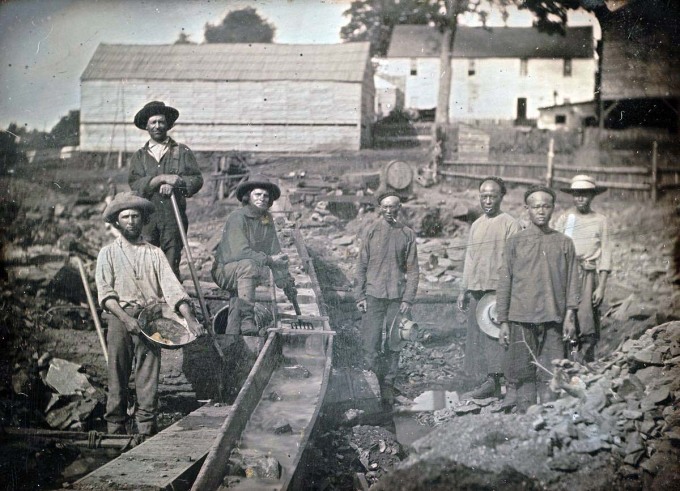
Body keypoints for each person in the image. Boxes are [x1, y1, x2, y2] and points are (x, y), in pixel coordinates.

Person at [96, 192, 205, 436]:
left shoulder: (154, 254)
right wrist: (126, 319)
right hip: (120, 318)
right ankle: (115, 429)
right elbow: (105, 294)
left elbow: (173, 290)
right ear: (117, 222)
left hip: (150, 320)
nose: (131, 221)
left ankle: (146, 429)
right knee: (117, 374)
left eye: (135, 216)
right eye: (125, 217)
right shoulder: (108, 253)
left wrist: (190, 319)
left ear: (143, 220)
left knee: (148, 377)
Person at [496, 186, 580, 413]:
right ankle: (526, 416)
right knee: (523, 371)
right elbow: (505, 282)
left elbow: (573, 280)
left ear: (553, 208)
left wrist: (570, 315)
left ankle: (549, 418)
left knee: (552, 370)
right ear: (527, 209)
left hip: (554, 317)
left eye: (546, 206)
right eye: (535, 207)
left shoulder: (564, 243)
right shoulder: (515, 242)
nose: (541, 211)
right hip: (522, 318)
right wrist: (503, 321)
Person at [457, 177, 521, 400]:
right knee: (477, 336)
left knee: (496, 335)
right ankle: (487, 382)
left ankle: (502, 382)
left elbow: (515, 261)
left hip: (497, 291)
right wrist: (464, 289)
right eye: (483, 196)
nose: (487, 201)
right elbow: (470, 258)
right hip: (477, 287)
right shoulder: (476, 224)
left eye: (492, 196)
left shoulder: (510, 224)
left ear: (501, 197)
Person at [355, 191, 419, 405]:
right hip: (373, 296)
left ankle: (388, 386)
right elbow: (361, 266)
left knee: (394, 343)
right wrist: (359, 296)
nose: (389, 211)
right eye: (385, 207)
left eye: (393, 206)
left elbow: (413, 270)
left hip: (396, 298)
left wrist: (408, 299)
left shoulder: (407, 234)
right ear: (380, 208)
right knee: (370, 343)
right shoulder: (371, 231)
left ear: (399, 208)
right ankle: (372, 387)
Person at [212, 175, 296, 337]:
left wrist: (286, 281)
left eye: (266, 196)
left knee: (237, 304)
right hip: (225, 270)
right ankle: (247, 320)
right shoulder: (237, 217)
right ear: (248, 197)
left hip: (245, 272)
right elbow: (240, 252)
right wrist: (269, 260)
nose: (262, 198)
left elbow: (275, 253)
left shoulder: (266, 219)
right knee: (249, 266)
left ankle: (232, 340)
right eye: (257, 194)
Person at [129, 101, 203, 279]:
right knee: (147, 267)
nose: (157, 126)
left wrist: (177, 182)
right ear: (146, 126)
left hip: (173, 218)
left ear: (168, 125)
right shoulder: (140, 156)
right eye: (153, 122)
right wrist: (160, 179)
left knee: (170, 268)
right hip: (147, 220)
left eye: (161, 122)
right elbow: (135, 184)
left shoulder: (181, 151)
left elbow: (196, 179)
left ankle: (172, 297)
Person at [555, 175, 611, 363]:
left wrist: (601, 286)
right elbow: (556, 248)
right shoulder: (566, 219)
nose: (580, 198)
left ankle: (586, 363)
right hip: (566, 274)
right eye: (577, 194)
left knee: (586, 320)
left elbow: (606, 253)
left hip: (587, 275)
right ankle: (566, 362)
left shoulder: (600, 220)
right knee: (565, 317)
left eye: (585, 194)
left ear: (592, 196)